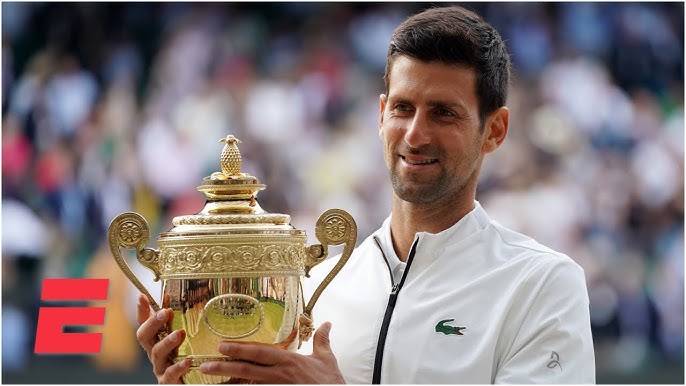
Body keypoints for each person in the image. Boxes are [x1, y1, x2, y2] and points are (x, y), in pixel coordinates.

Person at [136, 5, 596, 383]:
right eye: (402, 108)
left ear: (494, 130)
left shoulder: (542, 286)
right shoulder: (314, 288)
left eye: (443, 113)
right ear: (380, 116)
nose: (415, 135)